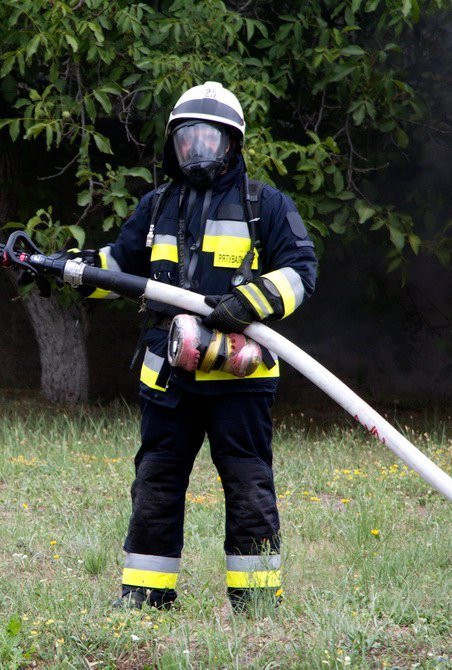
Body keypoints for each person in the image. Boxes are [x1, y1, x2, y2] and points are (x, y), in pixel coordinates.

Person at [82, 82, 318, 612]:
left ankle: (256, 603)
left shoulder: (266, 205)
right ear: (174, 145)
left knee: (248, 484)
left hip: (240, 379)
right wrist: (67, 269)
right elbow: (120, 268)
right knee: (156, 483)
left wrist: (248, 303)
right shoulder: (157, 205)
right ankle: (145, 595)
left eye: (209, 141)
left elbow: (302, 272)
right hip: (169, 377)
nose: (197, 151)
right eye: (187, 140)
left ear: (231, 144)